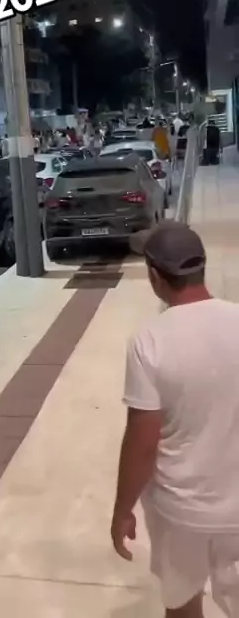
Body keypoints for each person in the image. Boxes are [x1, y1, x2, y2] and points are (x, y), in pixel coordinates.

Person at [112, 222, 239, 618]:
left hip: (180, 512)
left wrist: (122, 509)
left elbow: (143, 441)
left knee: (183, 607)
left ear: (155, 276)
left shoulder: (149, 341)